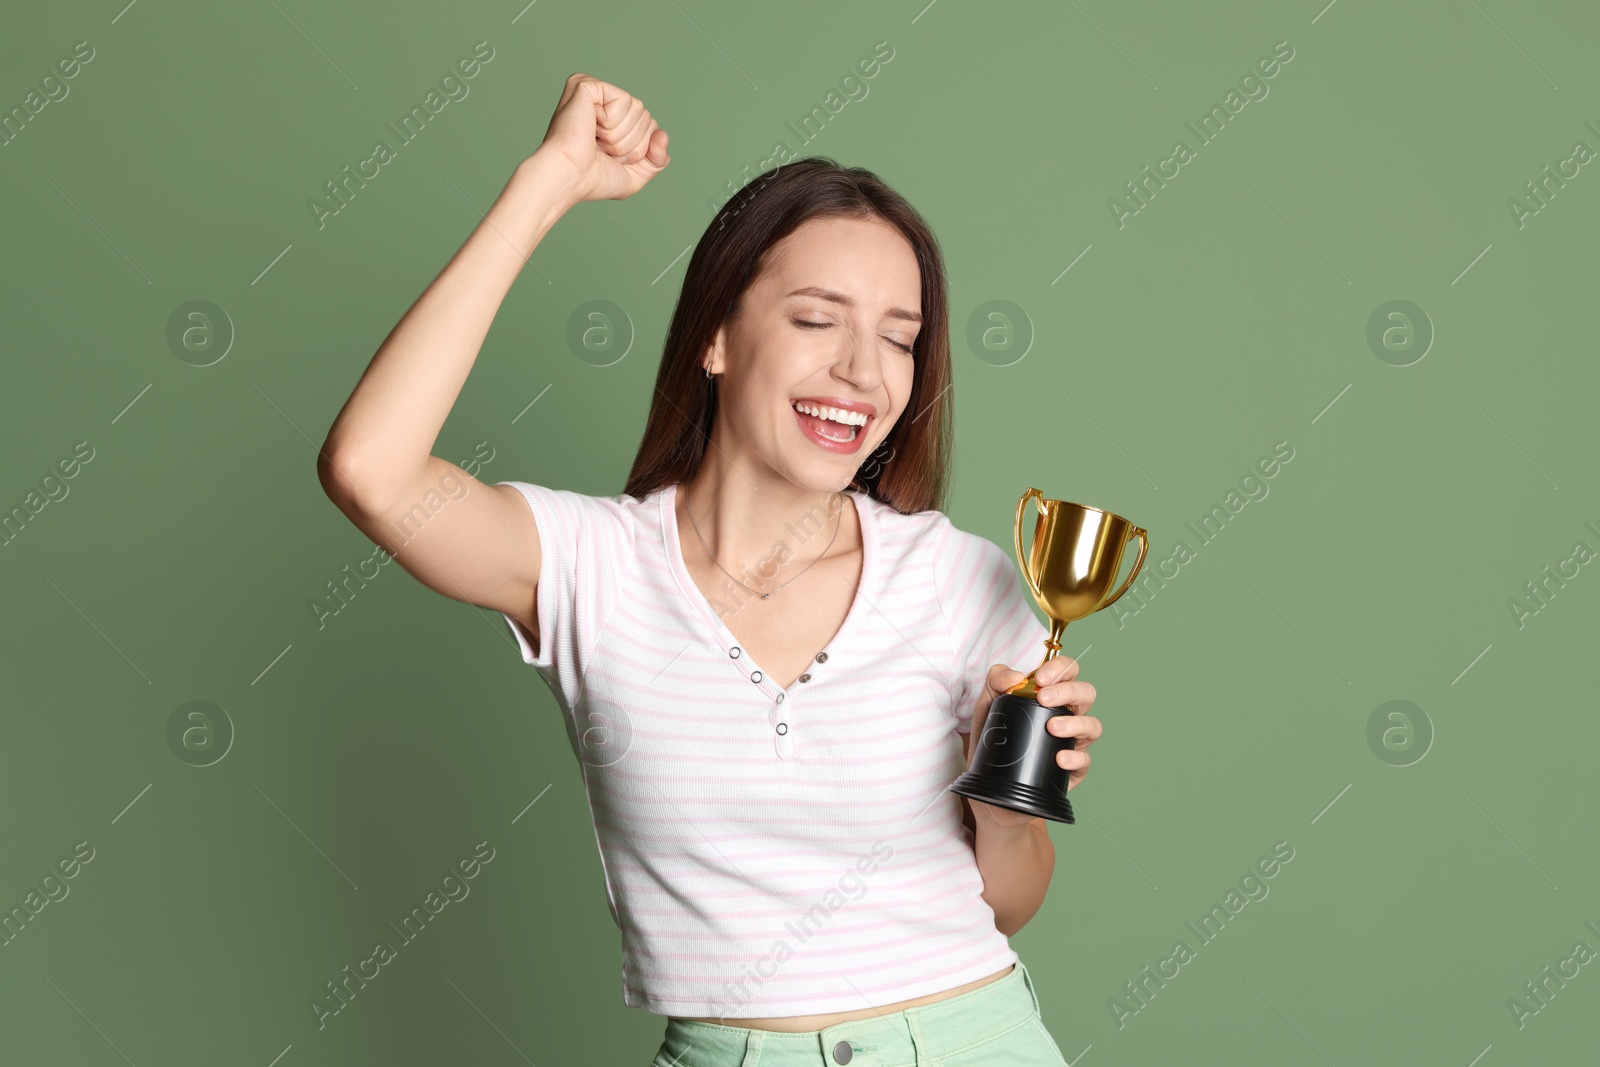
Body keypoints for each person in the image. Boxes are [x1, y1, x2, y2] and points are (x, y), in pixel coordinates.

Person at [317, 72, 1102, 1067]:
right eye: (818, 319)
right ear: (718, 337)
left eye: (899, 339)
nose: (864, 371)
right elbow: (370, 471)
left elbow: (1010, 897)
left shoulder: (960, 579)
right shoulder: (588, 565)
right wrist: (548, 182)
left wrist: (1002, 800)